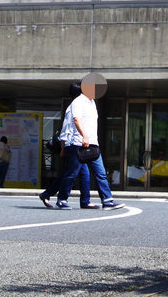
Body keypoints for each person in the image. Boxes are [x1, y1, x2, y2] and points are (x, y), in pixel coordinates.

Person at [39, 81, 124, 210]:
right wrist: (65, 146)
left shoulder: (92, 103)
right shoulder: (77, 103)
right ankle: (62, 199)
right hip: (77, 144)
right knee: (72, 173)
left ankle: (106, 201)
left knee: (96, 173)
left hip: (92, 144)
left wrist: (93, 140)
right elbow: (69, 126)